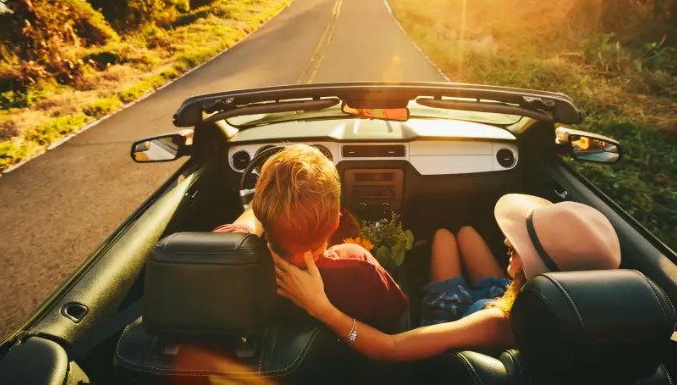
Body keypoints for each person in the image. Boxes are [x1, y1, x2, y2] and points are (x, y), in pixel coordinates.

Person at [272, 193, 621, 361]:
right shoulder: (607, 323)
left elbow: (390, 348)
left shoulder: (496, 325)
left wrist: (323, 308)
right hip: (502, 295)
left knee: (441, 237)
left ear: (537, 272)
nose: (506, 243)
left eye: (517, 250)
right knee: (465, 231)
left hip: (461, 315)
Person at [214, 143, 408, 331]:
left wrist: (269, 201)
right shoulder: (357, 263)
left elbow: (240, 230)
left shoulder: (231, 259)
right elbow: (394, 317)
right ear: (336, 221)